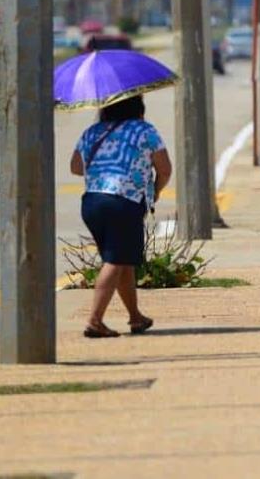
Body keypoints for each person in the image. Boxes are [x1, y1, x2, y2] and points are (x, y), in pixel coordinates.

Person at [70, 94, 172, 337]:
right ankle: (95, 320)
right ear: (139, 108)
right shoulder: (144, 131)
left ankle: (135, 317)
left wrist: (103, 166)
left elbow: (75, 167)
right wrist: (155, 189)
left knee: (122, 259)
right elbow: (165, 169)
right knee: (115, 261)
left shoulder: (92, 132)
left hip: (93, 201)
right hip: (124, 201)